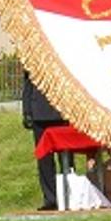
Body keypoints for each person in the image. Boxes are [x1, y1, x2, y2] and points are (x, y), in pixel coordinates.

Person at [22, 71, 67, 211]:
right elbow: (28, 84)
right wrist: (27, 110)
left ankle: (69, 195)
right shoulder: (34, 56)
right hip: (39, 112)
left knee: (66, 159)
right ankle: (51, 199)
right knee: (44, 159)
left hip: (61, 111)